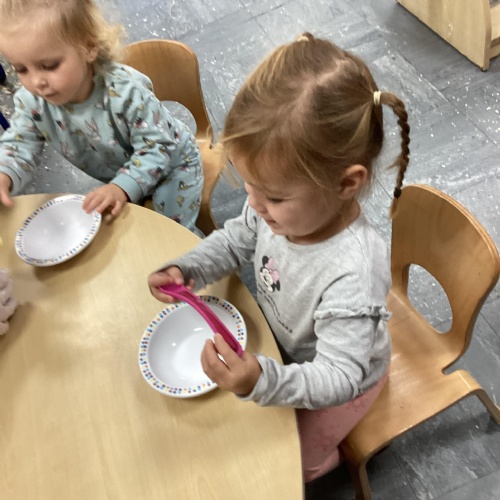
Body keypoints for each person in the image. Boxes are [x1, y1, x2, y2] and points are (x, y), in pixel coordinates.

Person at [148, 33, 411, 481]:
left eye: (272, 196)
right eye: (249, 186)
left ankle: (334, 457)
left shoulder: (353, 271)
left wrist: (263, 381)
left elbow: (339, 376)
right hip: (288, 350)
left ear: (346, 183)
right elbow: (236, 239)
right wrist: (189, 267)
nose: (254, 204)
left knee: (291, 465)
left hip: (345, 379)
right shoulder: (275, 209)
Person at [0, 0, 203, 231]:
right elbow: (19, 143)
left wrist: (121, 187)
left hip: (173, 164)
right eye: (21, 69)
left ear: (89, 48)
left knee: (171, 233)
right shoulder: (32, 101)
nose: (36, 82)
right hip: (124, 171)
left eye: (49, 65)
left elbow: (159, 147)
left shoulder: (125, 91)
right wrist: (4, 172)